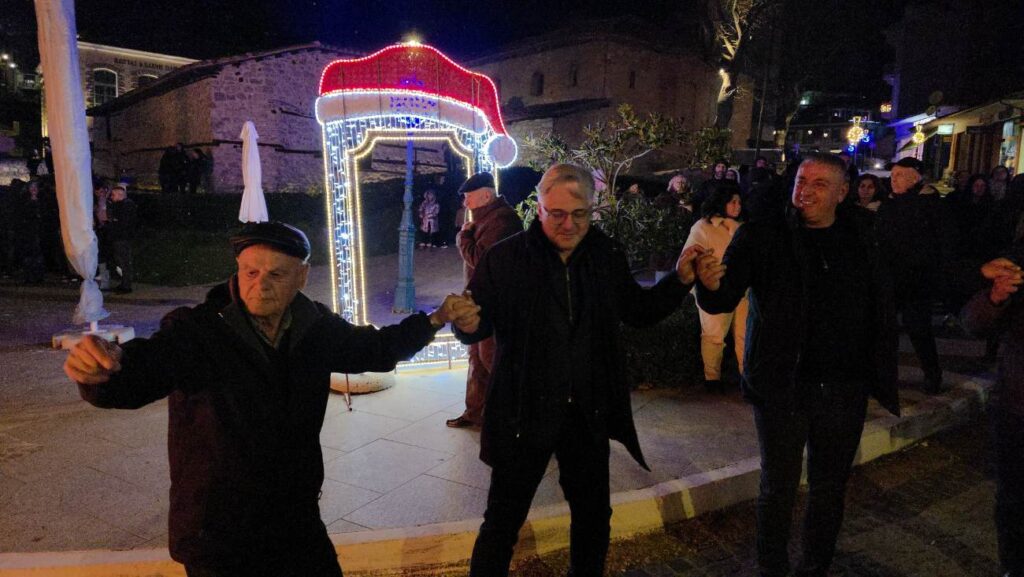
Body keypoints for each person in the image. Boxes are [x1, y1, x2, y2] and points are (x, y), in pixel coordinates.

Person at [63, 221, 479, 577]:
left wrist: (436, 319)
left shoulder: (315, 327)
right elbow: (143, 371)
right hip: (219, 530)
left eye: (276, 275)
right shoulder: (198, 331)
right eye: (250, 272)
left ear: (302, 276)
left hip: (294, 518)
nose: (259, 285)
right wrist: (102, 372)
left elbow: (376, 349)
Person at [454, 164, 702, 576]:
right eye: (557, 214)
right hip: (523, 412)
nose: (569, 224)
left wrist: (680, 280)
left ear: (591, 209)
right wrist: (465, 323)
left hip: (586, 413)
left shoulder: (606, 254)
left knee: (592, 519)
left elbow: (638, 311)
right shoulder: (505, 258)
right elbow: (477, 322)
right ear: (539, 208)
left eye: (579, 214)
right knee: (501, 522)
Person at [696, 153, 900, 577]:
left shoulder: (865, 234)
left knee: (830, 486)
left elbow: (891, 291)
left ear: (842, 193)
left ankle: (814, 566)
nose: (805, 191)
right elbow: (722, 296)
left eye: (819, 184)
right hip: (782, 385)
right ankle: (772, 567)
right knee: (778, 486)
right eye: (801, 181)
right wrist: (708, 283)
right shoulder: (763, 234)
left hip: (844, 387)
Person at [961, 250, 1024, 577]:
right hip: (1017, 407)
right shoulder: (1018, 259)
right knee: (1014, 501)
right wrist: (994, 297)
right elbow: (973, 323)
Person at [447, 172, 523, 429]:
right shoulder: (486, 219)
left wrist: (463, 238)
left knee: (492, 360)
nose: (465, 203)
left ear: (486, 196)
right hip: (479, 301)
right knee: (477, 359)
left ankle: (516, 416)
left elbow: (481, 260)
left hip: (494, 304)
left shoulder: (502, 221)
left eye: (469, 197)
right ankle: (475, 413)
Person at [876, 156, 957, 394]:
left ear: (915, 178)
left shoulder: (931, 205)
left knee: (918, 328)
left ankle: (932, 373)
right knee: (885, 329)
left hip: (917, 278)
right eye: (892, 176)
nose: (894, 180)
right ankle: (884, 375)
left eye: (900, 175)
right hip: (890, 276)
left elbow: (944, 242)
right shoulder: (889, 203)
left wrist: (937, 272)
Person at [684, 181, 747, 393]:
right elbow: (689, 257)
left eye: (739, 202)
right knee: (714, 335)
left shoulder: (743, 228)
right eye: (732, 202)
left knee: (744, 335)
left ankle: (746, 377)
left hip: (743, 291)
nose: (737, 206)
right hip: (714, 290)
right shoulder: (703, 227)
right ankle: (712, 379)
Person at [105, 184, 138, 293]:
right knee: (123, 261)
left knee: (124, 261)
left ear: (120, 195)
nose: (112, 197)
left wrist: (114, 221)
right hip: (122, 237)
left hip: (122, 238)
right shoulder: (125, 205)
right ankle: (125, 283)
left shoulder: (123, 206)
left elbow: (121, 222)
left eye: (113, 195)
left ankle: (126, 285)